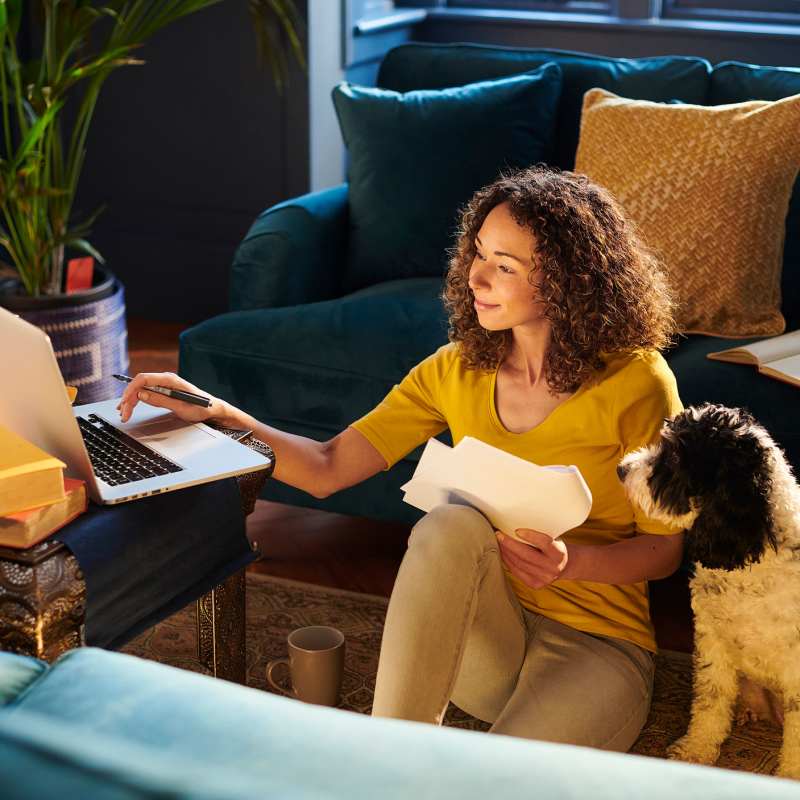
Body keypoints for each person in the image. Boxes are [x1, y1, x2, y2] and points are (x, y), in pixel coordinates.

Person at [118, 166, 684, 752]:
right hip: (484, 638)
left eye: (504, 266)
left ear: (567, 282)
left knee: (500, 783)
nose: (476, 276)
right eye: (479, 253)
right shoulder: (455, 369)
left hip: (597, 642)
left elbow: (664, 550)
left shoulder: (637, 383)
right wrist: (215, 414)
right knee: (450, 524)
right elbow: (326, 466)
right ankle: (385, 758)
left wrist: (571, 565)